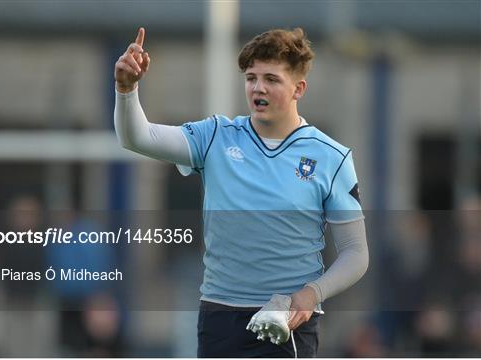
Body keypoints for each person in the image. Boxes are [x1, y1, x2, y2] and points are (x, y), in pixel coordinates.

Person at [114, 27, 369, 357]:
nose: (258, 88)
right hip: (219, 316)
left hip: (287, 322)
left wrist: (311, 294)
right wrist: (126, 88)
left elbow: (355, 253)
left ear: (298, 88)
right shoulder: (216, 136)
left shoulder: (330, 156)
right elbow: (138, 137)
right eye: (251, 78)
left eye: (271, 79)